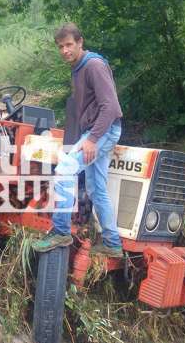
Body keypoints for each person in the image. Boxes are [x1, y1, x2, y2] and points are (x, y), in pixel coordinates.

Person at [32, 23, 124, 257]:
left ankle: (61, 231)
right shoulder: (77, 68)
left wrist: (93, 139)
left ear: (80, 42)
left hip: (102, 131)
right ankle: (112, 244)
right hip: (97, 131)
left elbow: (111, 107)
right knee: (96, 189)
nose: (65, 50)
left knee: (64, 170)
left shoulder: (93, 65)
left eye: (69, 45)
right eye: (61, 46)